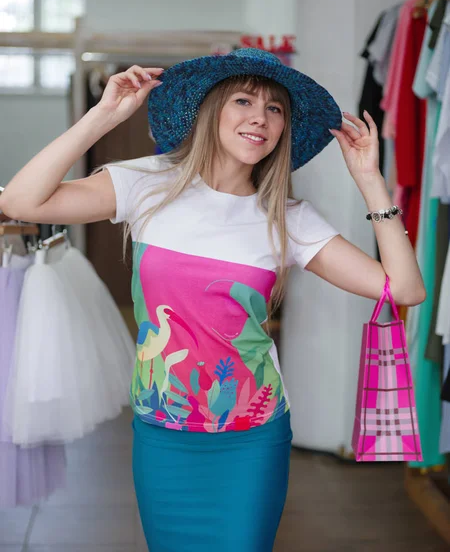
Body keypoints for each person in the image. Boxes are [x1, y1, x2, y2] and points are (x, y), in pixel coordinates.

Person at [0, 48, 425, 551]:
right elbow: (19, 201)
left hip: (251, 435)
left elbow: (404, 289)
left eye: (275, 109)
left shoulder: (289, 218)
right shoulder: (147, 183)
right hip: (163, 431)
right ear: (210, 110)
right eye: (243, 100)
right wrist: (102, 118)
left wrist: (371, 182)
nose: (259, 118)